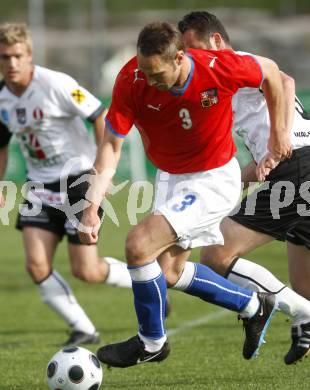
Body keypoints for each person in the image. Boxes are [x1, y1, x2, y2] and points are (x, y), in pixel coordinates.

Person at [79, 21, 292, 368]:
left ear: (180, 57)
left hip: (212, 180)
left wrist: (278, 135)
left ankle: (152, 342)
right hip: (171, 178)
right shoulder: (132, 78)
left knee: (138, 244)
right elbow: (111, 146)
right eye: (143, 71)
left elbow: (271, 72)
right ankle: (254, 306)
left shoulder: (217, 68)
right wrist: (92, 207)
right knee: (169, 273)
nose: (148, 81)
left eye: (156, 73)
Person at [177, 10, 310, 364]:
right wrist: (228, 178)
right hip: (297, 167)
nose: (193, 58)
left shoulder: (236, 63)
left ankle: (293, 313)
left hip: (297, 167)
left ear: (217, 41)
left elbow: (284, 80)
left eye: (195, 48)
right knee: (304, 286)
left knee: (215, 255)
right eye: (186, 53)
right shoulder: (221, 81)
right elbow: (263, 162)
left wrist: (278, 139)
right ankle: (305, 318)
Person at [0, 23, 133, 346]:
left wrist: (103, 169)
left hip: (79, 181)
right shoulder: (2, 98)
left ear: (29, 56)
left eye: (18, 56)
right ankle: (84, 328)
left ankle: (146, 280)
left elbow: (101, 115)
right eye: (5, 57)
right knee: (36, 264)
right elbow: (1, 144)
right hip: (39, 187)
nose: (12, 63)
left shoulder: (56, 84)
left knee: (87, 270)